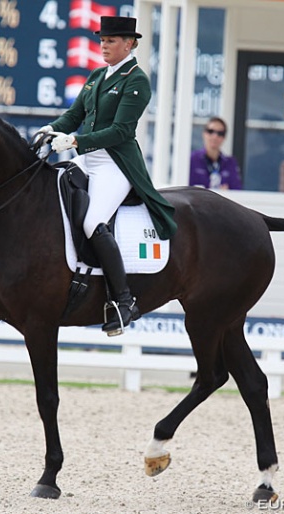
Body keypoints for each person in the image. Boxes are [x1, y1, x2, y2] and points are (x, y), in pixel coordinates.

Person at [39, 16, 177, 335]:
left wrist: (75, 140)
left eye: (111, 40)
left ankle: (123, 300)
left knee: (91, 221)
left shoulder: (136, 80)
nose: (104, 45)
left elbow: (121, 131)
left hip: (116, 163)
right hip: (87, 159)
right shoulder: (98, 75)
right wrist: (52, 129)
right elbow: (74, 116)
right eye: (102, 40)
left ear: (129, 44)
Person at [189, 117, 242, 191]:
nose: (215, 136)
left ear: (224, 137)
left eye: (220, 133)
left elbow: (237, 190)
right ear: (204, 134)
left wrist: (228, 193)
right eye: (211, 131)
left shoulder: (230, 163)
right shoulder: (192, 159)